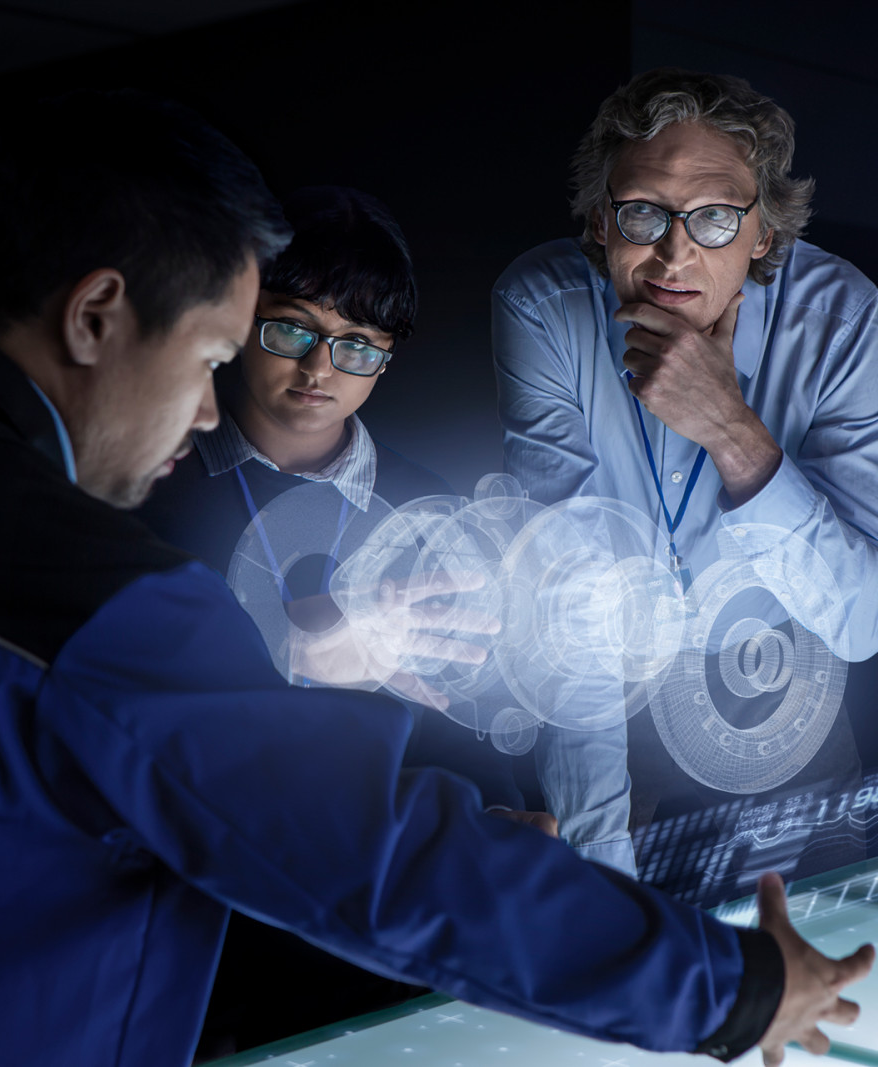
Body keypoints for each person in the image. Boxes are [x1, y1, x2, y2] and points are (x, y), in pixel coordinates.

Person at [0, 89, 872, 1067]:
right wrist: (730, 986)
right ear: (99, 314)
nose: (211, 404)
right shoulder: (108, 600)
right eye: (217, 352)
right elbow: (387, 857)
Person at [138, 184, 543, 1053]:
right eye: (292, 330)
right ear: (244, 319)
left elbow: (464, 706)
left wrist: (502, 811)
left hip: (383, 915)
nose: (319, 370)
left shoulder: (428, 507)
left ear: (387, 361)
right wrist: (301, 655)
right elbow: (125, 701)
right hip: (208, 919)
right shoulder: (150, 480)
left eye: (357, 347)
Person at [492, 68, 878, 877]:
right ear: (599, 221)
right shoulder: (542, 305)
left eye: (716, 217)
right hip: (613, 700)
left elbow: (867, 617)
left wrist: (731, 428)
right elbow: (568, 595)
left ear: (763, 235)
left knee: (798, 982)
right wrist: (596, 871)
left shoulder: (839, 314)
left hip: (785, 698)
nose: (675, 252)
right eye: (643, 212)